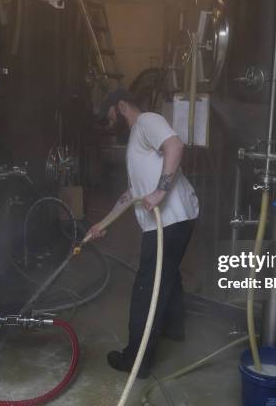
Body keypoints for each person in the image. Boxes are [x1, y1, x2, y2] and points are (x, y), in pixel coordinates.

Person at [86, 89, 199, 378]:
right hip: (176, 220)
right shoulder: (137, 139)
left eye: (109, 114)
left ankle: (135, 361)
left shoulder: (146, 121)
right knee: (168, 274)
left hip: (169, 221)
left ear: (121, 105)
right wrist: (104, 223)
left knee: (145, 289)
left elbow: (175, 145)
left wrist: (161, 191)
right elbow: (132, 194)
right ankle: (174, 330)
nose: (107, 121)